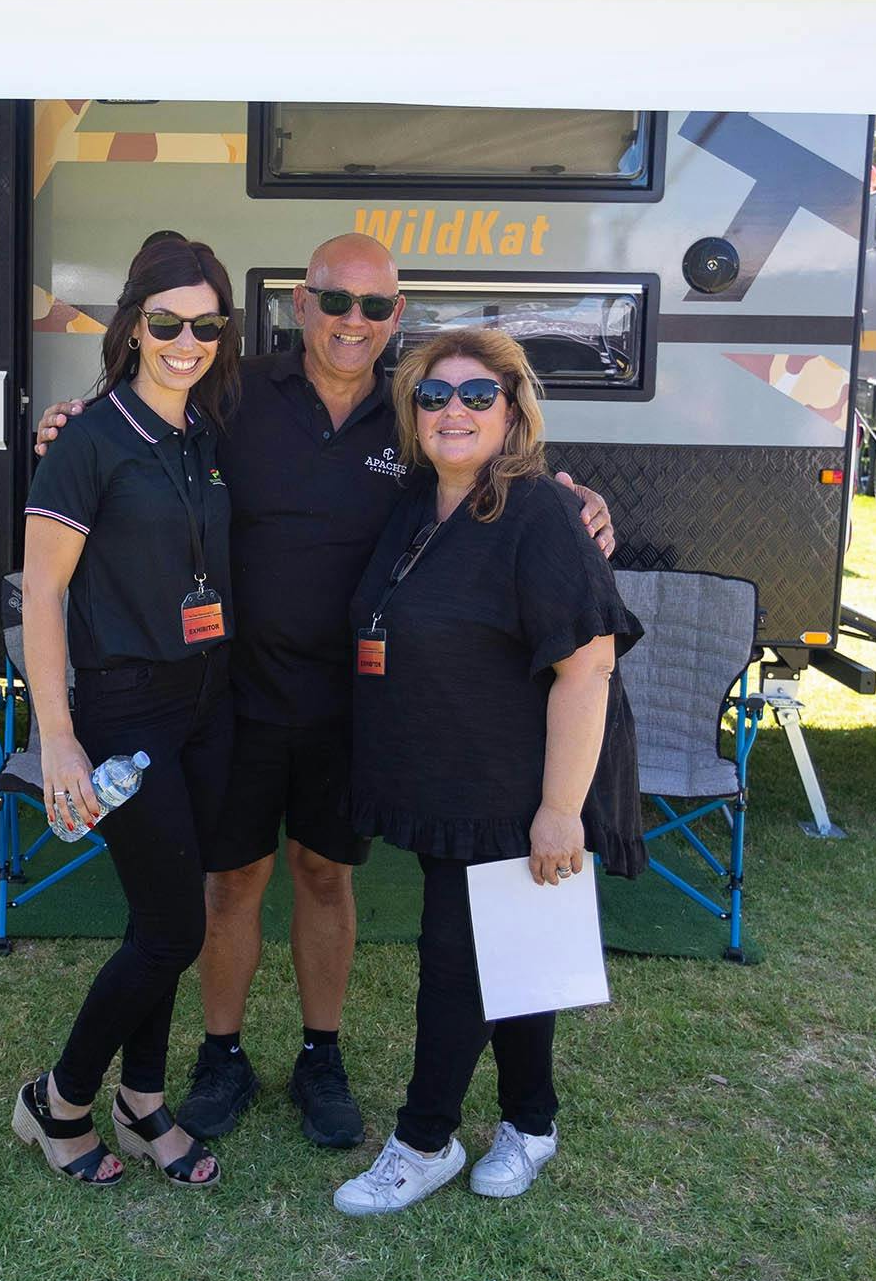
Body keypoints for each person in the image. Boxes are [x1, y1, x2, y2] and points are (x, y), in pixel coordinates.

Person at [36, 234, 615, 1151]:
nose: (354, 322)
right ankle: (220, 1053)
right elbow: (145, 420)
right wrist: (74, 420)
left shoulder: (413, 406)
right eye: (335, 302)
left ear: (397, 315)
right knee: (232, 882)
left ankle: (321, 1053)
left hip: (354, 701)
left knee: (324, 874)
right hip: (231, 692)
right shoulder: (237, 390)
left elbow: (483, 467)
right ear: (300, 305)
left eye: (376, 307)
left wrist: (574, 496)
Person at [330, 328, 644, 1217]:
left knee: (455, 958)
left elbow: (589, 665)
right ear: (413, 413)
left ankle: (423, 1140)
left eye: (478, 395)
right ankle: (531, 1121)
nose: (455, 410)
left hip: (511, 784)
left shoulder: (541, 512)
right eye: (435, 396)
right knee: (512, 949)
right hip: (444, 774)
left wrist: (559, 810)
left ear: (513, 411)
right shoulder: (419, 504)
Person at [8, 235, 241, 1190]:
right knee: (173, 931)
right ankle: (57, 1099)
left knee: (166, 913)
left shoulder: (203, 436)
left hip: (202, 701)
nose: (186, 342)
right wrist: (58, 736)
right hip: (121, 707)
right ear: (132, 327)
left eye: (206, 326)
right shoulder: (91, 439)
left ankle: (143, 1103)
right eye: (166, 323)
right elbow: (44, 593)